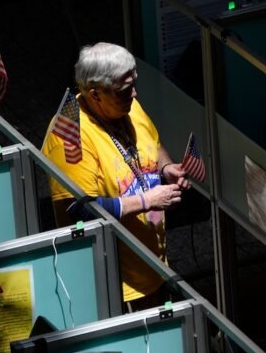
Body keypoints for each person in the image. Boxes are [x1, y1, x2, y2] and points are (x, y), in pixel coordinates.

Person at [44, 42, 190, 310]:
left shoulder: (127, 106)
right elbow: (79, 210)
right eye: (124, 90)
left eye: (134, 84)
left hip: (153, 267)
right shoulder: (70, 134)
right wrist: (147, 201)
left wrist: (166, 167)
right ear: (95, 94)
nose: (134, 94)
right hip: (116, 287)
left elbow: (153, 144)